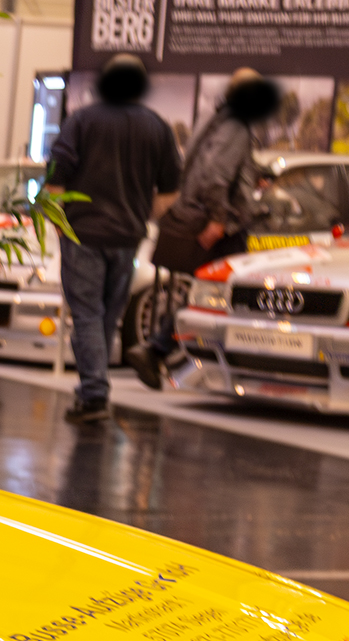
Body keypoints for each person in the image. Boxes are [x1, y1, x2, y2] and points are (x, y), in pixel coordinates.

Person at [46, 53, 179, 423]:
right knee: (106, 314)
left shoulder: (83, 120)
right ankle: (95, 385)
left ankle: (93, 395)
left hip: (83, 232)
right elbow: (170, 192)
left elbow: (57, 171)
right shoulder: (158, 127)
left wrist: (58, 219)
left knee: (87, 312)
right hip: (128, 236)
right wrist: (141, 215)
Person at [134, 69, 278, 386]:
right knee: (217, 297)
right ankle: (159, 349)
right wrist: (218, 219)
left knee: (210, 296)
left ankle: (161, 350)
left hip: (210, 219)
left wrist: (254, 175)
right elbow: (215, 174)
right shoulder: (237, 125)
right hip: (225, 228)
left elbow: (210, 166)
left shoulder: (215, 118)